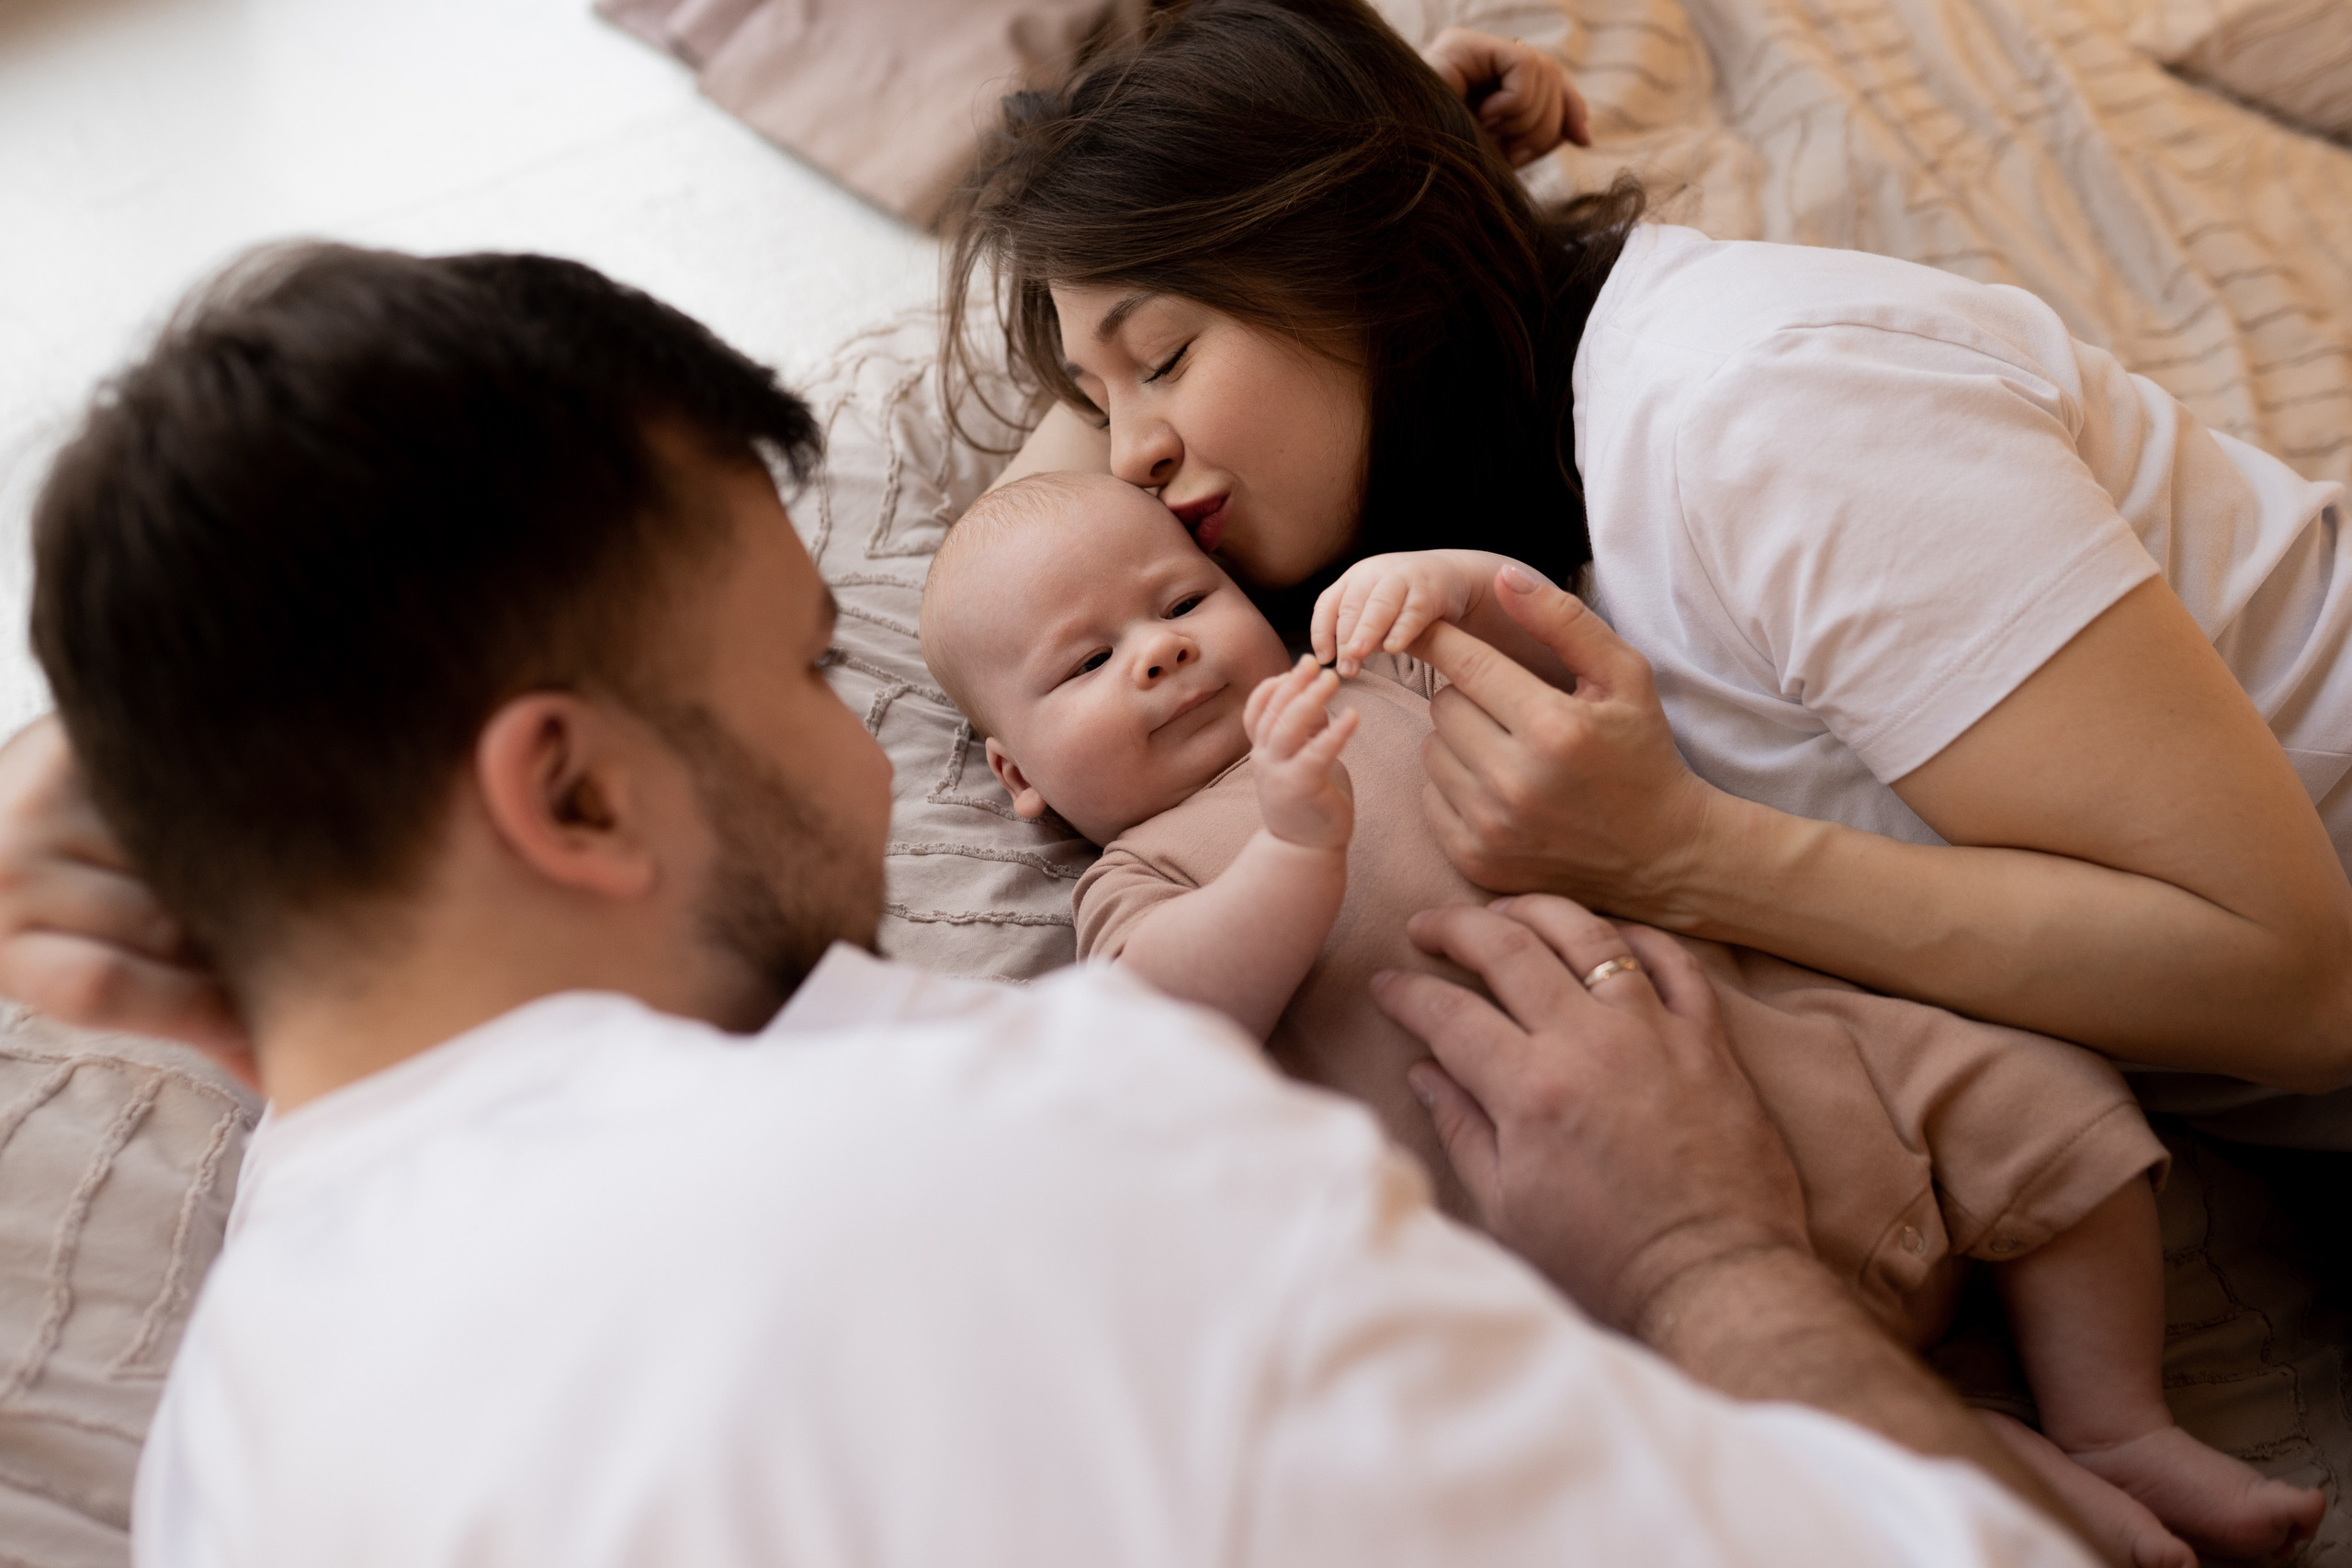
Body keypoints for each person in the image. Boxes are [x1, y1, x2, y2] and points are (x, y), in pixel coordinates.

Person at [24, 241, 2096, 1566]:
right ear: (570, 787)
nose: (867, 764)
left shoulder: (242, 1440)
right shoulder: (1043, 1158)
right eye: (809, 670)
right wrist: (1698, 1250)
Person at [946, 0, 2352, 1134]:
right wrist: (1399, 157)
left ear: (1372, 268)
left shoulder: (1761, 416)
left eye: (1168, 358)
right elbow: (1006, 599)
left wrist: (1683, 856)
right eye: (1097, 392)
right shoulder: (1407, 522)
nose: (1125, 453)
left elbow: (2300, 985)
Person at [919, 468, 2323, 1566]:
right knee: (1768, 1418)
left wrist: (1438, 581)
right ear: (1016, 777)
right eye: (1083, 665)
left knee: (2041, 1086)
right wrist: (1293, 846)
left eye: (1177, 603)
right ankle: (2020, 1474)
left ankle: (2115, 1418)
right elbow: (1172, 1019)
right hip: (1596, 1244)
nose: (1158, 656)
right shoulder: (1139, 876)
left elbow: (1535, 639)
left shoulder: (1368, 677)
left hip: (1803, 1063)